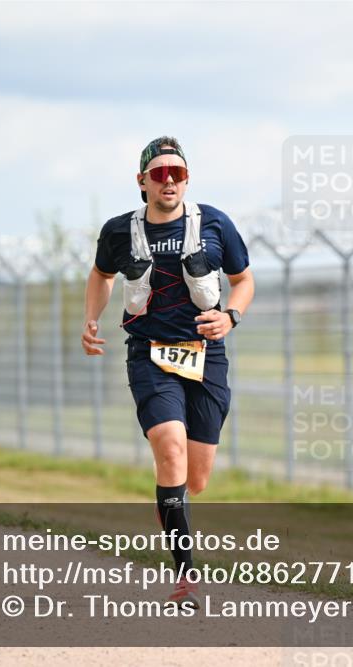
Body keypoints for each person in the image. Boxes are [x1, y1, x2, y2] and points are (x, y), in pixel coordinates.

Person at [81, 136, 254, 608]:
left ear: (187, 178)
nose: (169, 180)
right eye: (159, 173)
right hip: (149, 353)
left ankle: (169, 499)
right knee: (169, 446)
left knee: (194, 480)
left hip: (206, 355)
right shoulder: (119, 231)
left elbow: (243, 281)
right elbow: (101, 275)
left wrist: (231, 316)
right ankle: (186, 578)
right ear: (142, 182)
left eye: (177, 172)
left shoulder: (215, 223)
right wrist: (92, 318)